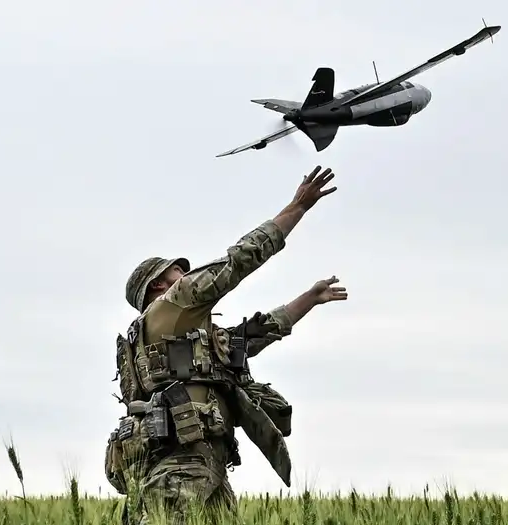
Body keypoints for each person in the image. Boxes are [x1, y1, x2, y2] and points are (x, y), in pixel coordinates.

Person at [105, 166, 346, 524]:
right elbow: (237, 261)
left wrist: (309, 299)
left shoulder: (183, 336)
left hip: (206, 466)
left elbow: (254, 336)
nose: (185, 276)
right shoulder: (171, 307)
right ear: (158, 286)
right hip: (179, 469)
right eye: (177, 272)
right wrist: (297, 208)